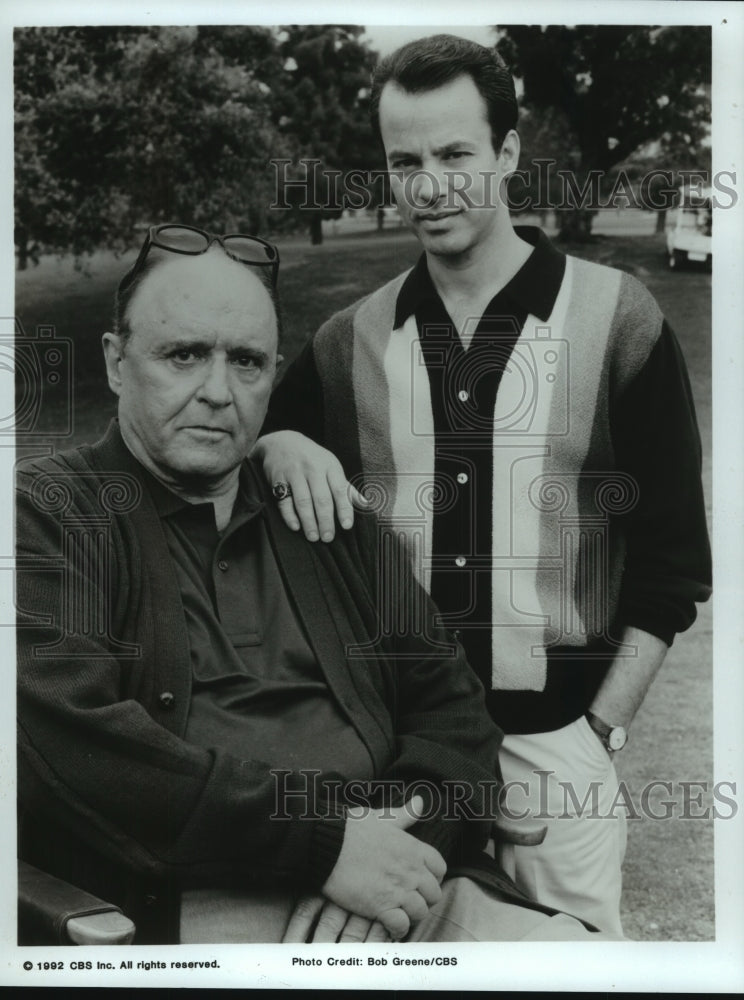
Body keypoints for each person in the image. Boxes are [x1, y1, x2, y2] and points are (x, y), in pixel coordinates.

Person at [16, 225, 616, 946]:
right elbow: (68, 745)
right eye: (183, 355)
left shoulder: (327, 513)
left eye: (246, 362)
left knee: (582, 962)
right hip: (198, 897)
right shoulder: (51, 514)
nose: (217, 390)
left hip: (403, 879)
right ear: (116, 362)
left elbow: (455, 709)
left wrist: (395, 842)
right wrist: (325, 843)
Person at [255, 35, 713, 936]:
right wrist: (275, 442)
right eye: (406, 161)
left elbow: (673, 566)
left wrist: (598, 735)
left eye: (456, 154)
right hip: (396, 760)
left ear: (507, 152)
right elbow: (238, 453)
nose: (431, 185)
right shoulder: (347, 342)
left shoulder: (618, 318)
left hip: (555, 750)